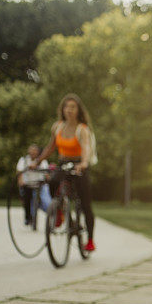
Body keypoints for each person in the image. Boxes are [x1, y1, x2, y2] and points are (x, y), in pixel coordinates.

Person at [32, 93, 96, 251]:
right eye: (67, 107)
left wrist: (84, 163)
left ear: (78, 110)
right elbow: (50, 147)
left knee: (86, 203)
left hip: (79, 165)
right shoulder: (57, 127)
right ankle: (59, 211)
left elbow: (86, 147)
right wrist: (37, 161)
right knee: (53, 182)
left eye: (73, 107)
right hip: (63, 163)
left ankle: (90, 240)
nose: (69, 110)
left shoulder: (82, 129)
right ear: (63, 109)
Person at [16, 144, 50, 225]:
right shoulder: (23, 160)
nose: (33, 152)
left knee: (46, 201)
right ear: (28, 151)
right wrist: (21, 181)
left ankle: (47, 212)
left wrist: (48, 179)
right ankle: (28, 218)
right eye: (31, 150)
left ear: (38, 152)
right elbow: (19, 172)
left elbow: (46, 173)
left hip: (40, 183)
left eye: (35, 150)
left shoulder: (42, 161)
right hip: (28, 184)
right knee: (26, 200)